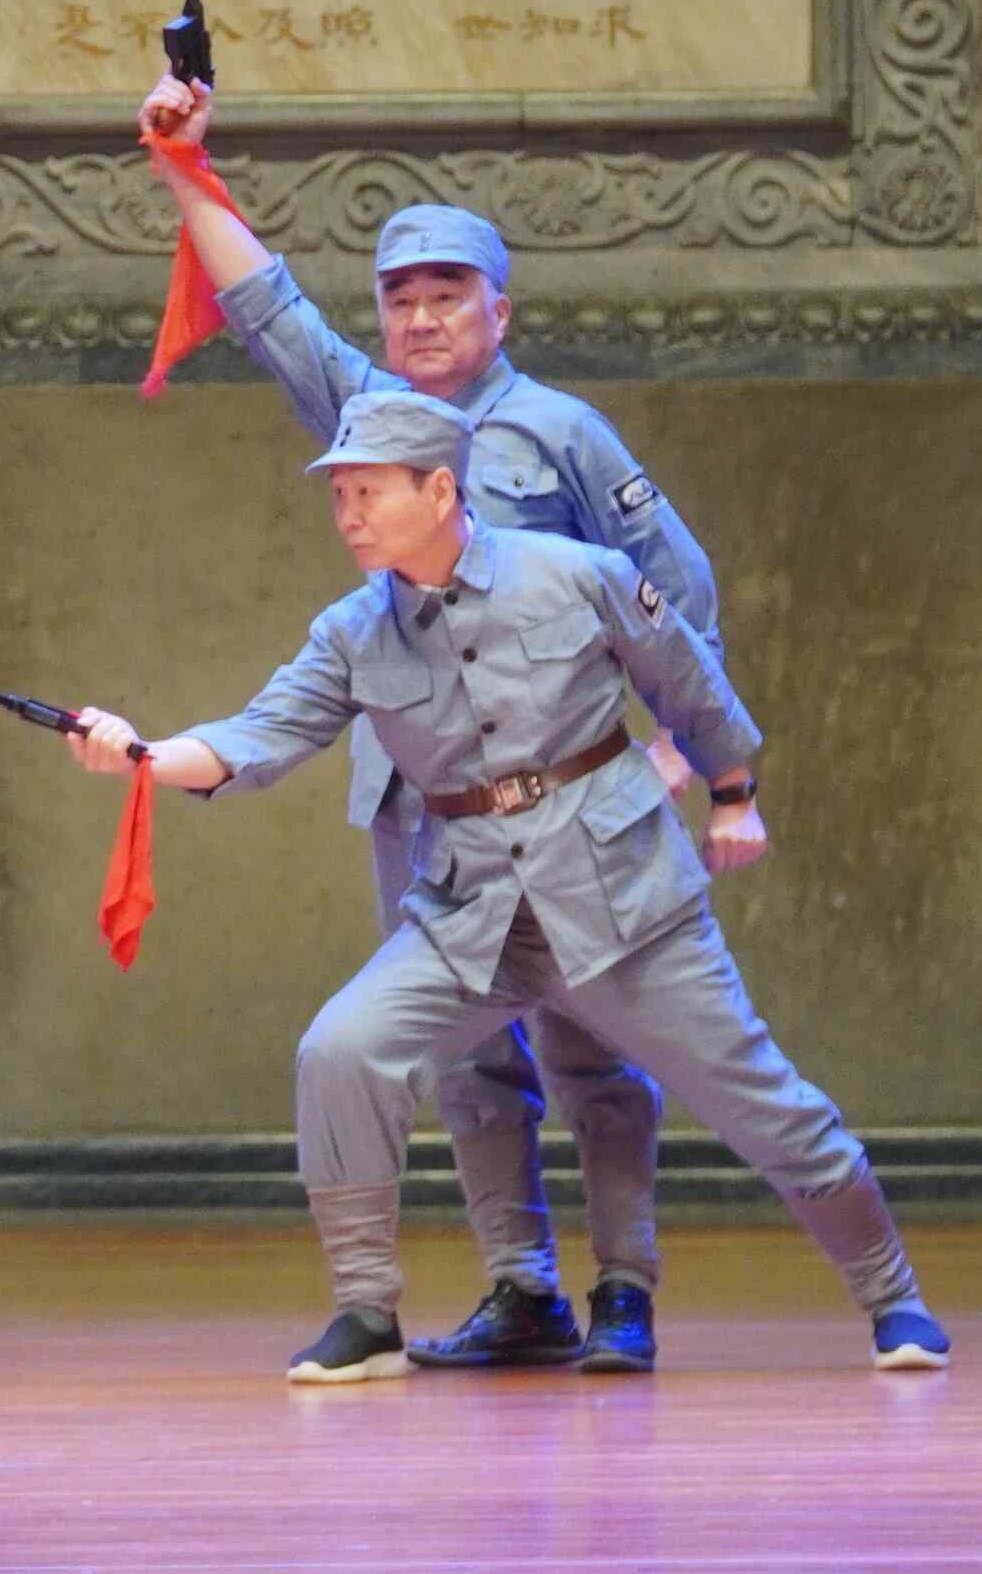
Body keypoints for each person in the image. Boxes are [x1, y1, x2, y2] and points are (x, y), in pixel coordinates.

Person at [60, 388, 950, 1384]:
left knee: (762, 1103)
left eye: (367, 492)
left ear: (440, 490)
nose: (347, 516)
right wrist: (143, 754)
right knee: (341, 1052)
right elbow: (257, 736)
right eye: (338, 496)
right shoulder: (353, 631)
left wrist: (732, 791)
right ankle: (366, 1313)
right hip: (471, 913)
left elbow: (688, 686)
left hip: (622, 902)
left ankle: (894, 1298)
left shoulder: (577, 575)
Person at [139, 74, 729, 1377]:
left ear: (499, 309)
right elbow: (267, 308)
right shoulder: (368, 414)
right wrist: (183, 167)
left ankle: (623, 1290)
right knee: (462, 1063)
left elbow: (677, 591)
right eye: (399, 297)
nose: (418, 316)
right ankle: (523, 1289)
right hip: (425, 804)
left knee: (592, 1049)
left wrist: (677, 754)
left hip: (572, 809)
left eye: (447, 293)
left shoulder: (562, 433)